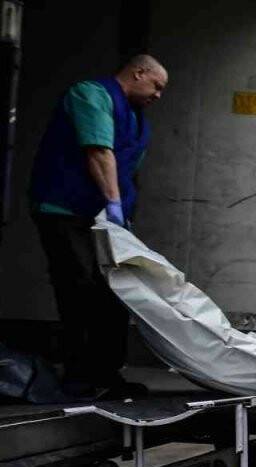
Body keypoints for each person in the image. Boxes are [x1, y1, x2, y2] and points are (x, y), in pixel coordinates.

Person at [28, 54, 167, 397]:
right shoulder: (90, 95)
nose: (158, 95)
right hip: (64, 208)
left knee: (115, 289)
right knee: (79, 285)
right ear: (139, 73)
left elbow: (127, 167)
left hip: (104, 215)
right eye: (157, 86)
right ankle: (79, 376)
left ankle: (106, 374)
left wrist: (121, 214)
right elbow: (98, 152)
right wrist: (114, 203)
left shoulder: (139, 119)